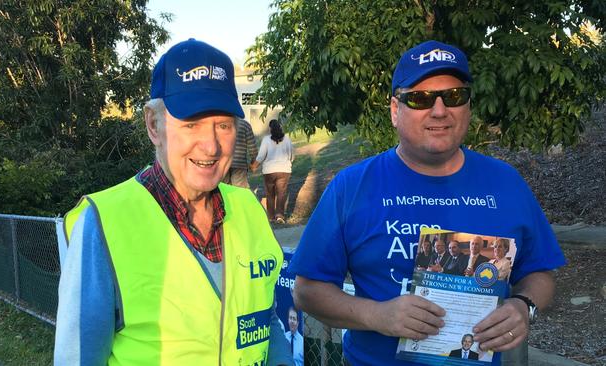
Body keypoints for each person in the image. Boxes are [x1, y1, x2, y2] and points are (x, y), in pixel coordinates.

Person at [288, 40, 566, 365]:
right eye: (420, 99)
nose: (439, 110)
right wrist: (377, 315)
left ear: (468, 106)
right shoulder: (351, 188)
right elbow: (307, 291)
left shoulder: (506, 183)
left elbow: (539, 274)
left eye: (454, 96)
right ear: (395, 110)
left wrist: (523, 306)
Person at [54, 39, 292, 366]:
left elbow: (268, 322)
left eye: (223, 125)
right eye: (191, 124)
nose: (210, 146)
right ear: (154, 125)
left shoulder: (249, 209)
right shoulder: (102, 225)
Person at [251, 119, 294, 224]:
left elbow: (261, 156)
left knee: (270, 194)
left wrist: (254, 166)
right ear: (280, 127)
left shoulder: (266, 140)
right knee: (281, 193)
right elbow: (292, 156)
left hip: (269, 171)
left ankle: (270, 217)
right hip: (284, 170)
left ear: (270, 129)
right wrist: (288, 162)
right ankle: (280, 216)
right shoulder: (287, 139)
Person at [222, 118, 258, 188]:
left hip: (223, 163)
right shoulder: (245, 125)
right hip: (239, 164)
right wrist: (253, 162)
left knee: (224, 189)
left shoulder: (222, 123)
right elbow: (252, 147)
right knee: (239, 189)